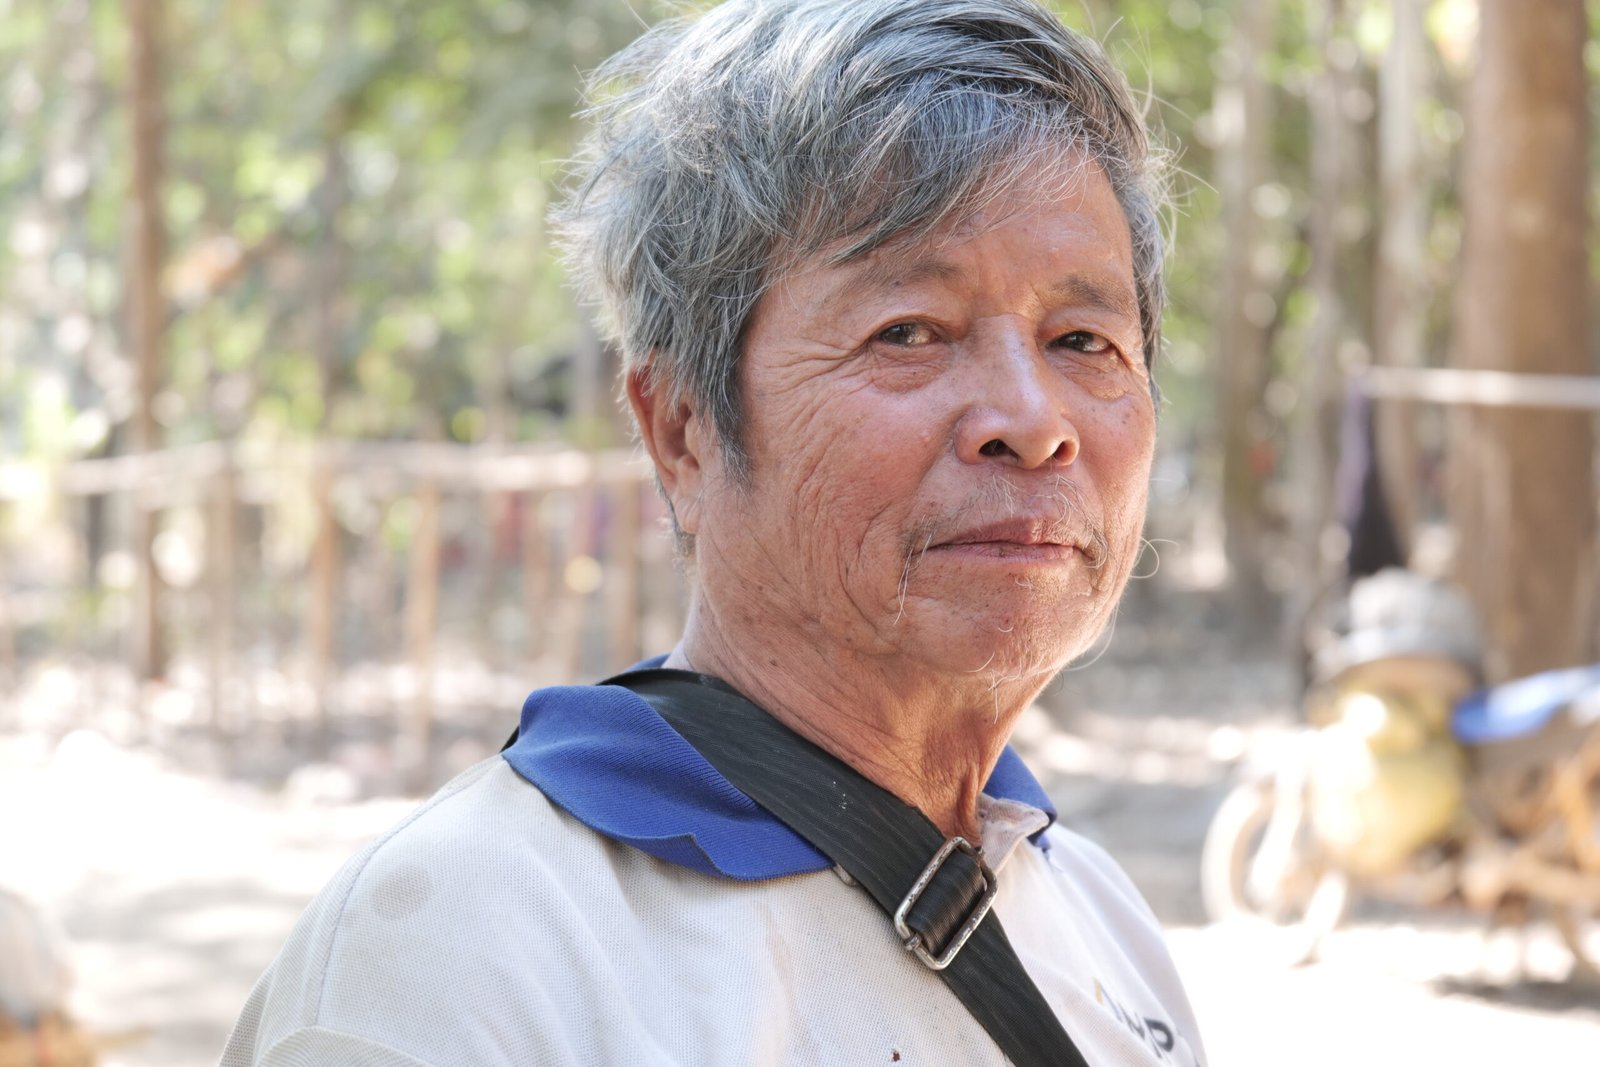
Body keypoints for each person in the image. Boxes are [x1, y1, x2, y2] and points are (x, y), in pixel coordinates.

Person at [222, 0, 1206, 1063]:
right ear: (683, 426)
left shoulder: (1093, 916)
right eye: (908, 331)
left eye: (1082, 338)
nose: (1032, 420)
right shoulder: (462, 954)